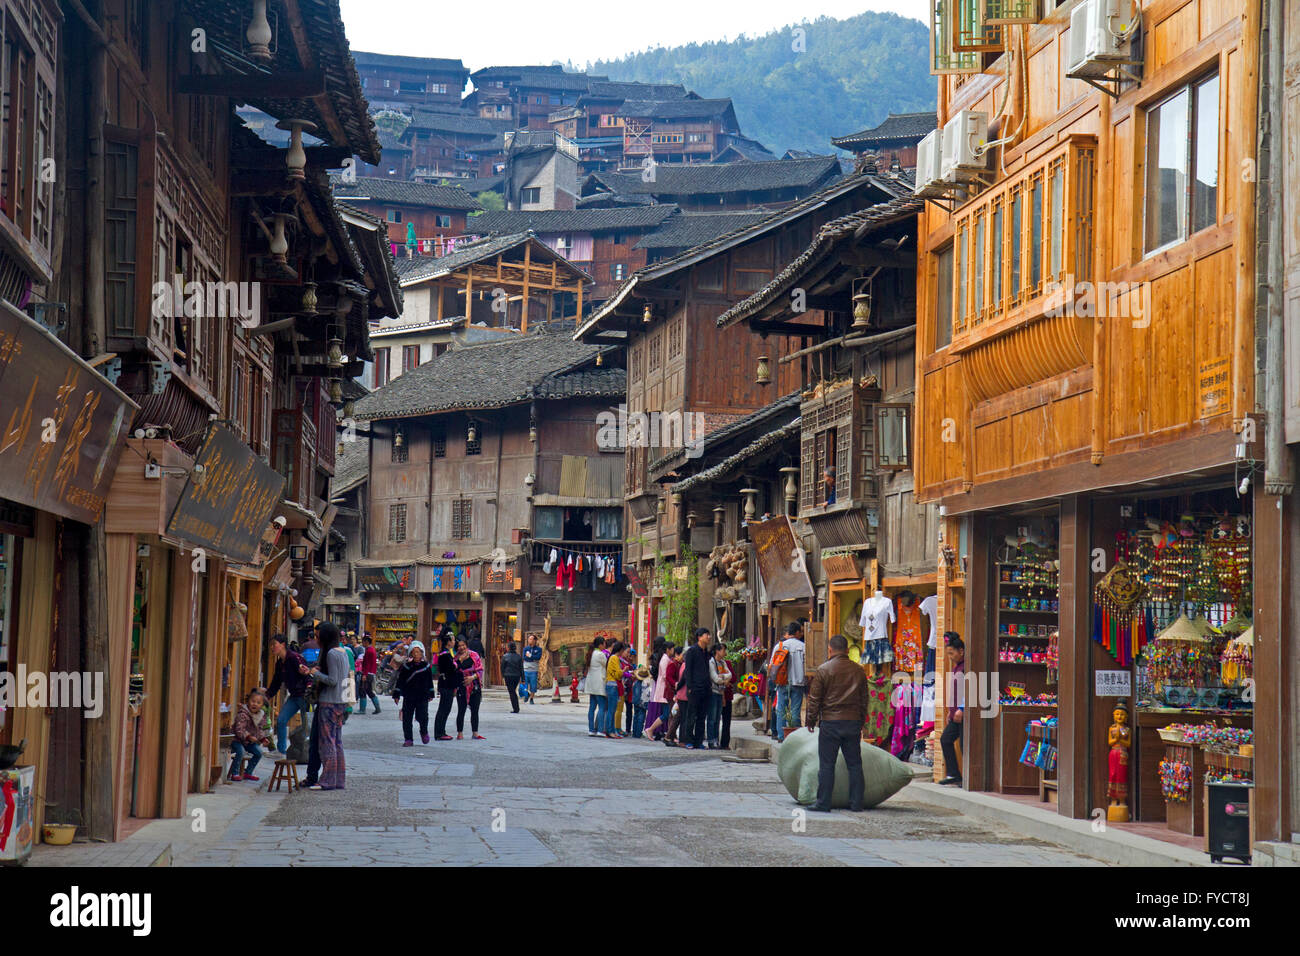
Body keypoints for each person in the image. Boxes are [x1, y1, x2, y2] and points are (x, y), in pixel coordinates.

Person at [804, 633, 871, 812]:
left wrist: (810, 719)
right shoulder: (859, 670)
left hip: (830, 723)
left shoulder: (824, 670)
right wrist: (861, 720)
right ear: (847, 650)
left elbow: (814, 699)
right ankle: (856, 803)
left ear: (830, 649)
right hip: (852, 722)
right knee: (855, 764)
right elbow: (864, 699)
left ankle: (823, 803)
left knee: (827, 765)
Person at [307, 622, 349, 790]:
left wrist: (314, 672)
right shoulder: (343, 652)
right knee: (337, 741)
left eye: (318, 636)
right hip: (340, 702)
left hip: (329, 702)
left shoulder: (331, 653)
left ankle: (327, 780)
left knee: (327, 742)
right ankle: (339, 779)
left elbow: (332, 680)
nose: (316, 639)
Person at [266, 634, 309, 755]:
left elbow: (307, 675)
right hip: (294, 696)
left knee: (307, 724)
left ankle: (307, 751)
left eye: (274, 644)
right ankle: (281, 750)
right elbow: (276, 682)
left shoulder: (295, 658)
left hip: (304, 695)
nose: (272, 647)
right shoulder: (280, 663)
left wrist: (309, 688)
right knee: (281, 720)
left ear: (283, 644)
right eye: (271, 645)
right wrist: (268, 695)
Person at [770, 622, 807, 742]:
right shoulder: (802, 646)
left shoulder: (779, 646)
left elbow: (772, 665)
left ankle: (781, 736)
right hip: (798, 681)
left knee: (781, 709)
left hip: (782, 682)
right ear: (796, 632)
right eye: (800, 632)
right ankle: (795, 737)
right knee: (795, 709)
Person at [392, 642, 435, 746]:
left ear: (422, 653)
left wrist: (431, 693)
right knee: (407, 718)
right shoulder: (406, 666)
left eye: (418, 652)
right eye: (414, 652)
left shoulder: (426, 666)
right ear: (410, 653)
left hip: (422, 696)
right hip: (409, 695)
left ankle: (424, 732)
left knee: (423, 716)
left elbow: (429, 680)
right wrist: (396, 694)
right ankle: (408, 739)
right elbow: (400, 680)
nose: (416, 654)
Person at [938, 632, 966, 786]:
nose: (950, 656)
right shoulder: (957, 668)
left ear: (961, 651)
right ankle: (953, 774)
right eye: (948, 654)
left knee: (964, 744)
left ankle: (968, 778)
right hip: (956, 714)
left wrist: (961, 708)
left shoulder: (966, 667)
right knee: (946, 739)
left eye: (951, 653)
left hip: (963, 713)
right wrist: (951, 709)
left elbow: (970, 689)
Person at [229, 689, 272, 781]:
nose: (255, 704)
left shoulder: (261, 716)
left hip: (249, 742)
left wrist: (263, 739)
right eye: (253, 701)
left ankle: (248, 772)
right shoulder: (243, 714)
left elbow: (260, 730)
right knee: (241, 751)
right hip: (237, 740)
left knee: (259, 753)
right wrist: (248, 736)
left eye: (258, 703)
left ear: (262, 705)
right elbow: (239, 729)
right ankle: (235, 773)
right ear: (248, 702)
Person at [680, 628, 713, 750]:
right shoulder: (692, 651)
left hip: (705, 688)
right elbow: (688, 670)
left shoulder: (706, 652)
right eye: (706, 635)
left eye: (709, 635)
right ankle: (689, 740)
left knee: (701, 716)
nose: (709, 637)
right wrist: (689, 687)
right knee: (691, 715)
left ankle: (699, 741)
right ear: (699, 637)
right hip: (694, 688)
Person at [455, 638, 485, 740]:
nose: (461, 647)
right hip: (462, 686)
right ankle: (460, 733)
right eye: (459, 646)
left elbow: (480, 670)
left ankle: (475, 733)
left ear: (466, 645)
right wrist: (460, 660)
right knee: (461, 710)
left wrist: (472, 678)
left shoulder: (474, 655)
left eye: (463, 645)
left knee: (475, 710)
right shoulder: (456, 658)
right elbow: (455, 671)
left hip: (475, 686)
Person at [433, 643, 463, 740]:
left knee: (445, 708)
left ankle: (441, 731)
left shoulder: (447, 653)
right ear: (448, 641)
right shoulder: (444, 655)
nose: (454, 642)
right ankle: (439, 733)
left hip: (448, 684)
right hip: (446, 684)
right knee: (444, 708)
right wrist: (460, 661)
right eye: (453, 639)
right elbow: (450, 669)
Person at [707, 643, 732, 750]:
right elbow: (714, 678)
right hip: (713, 691)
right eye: (723, 650)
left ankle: (716, 739)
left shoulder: (723, 663)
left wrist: (722, 677)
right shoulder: (711, 662)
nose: (724, 653)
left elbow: (730, 675)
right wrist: (724, 680)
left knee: (717, 718)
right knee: (712, 718)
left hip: (720, 692)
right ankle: (711, 740)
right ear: (717, 651)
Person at [645, 641, 672, 741]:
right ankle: (651, 729)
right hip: (664, 690)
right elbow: (665, 675)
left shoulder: (664, 658)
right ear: (668, 649)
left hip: (663, 689)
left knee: (667, 713)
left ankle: (669, 734)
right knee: (666, 713)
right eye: (672, 648)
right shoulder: (665, 659)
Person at [584, 637, 609, 737]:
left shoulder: (591, 653)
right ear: (600, 645)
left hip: (591, 683)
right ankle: (600, 730)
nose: (605, 645)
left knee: (592, 707)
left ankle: (591, 729)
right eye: (604, 644)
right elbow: (606, 664)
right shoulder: (600, 654)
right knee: (602, 707)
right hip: (599, 683)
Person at [663, 647, 686, 746]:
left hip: (677, 691)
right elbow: (668, 677)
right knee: (675, 714)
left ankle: (671, 736)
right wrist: (676, 684)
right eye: (682, 655)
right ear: (677, 654)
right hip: (671, 692)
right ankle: (669, 736)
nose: (683, 658)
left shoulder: (680, 664)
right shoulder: (672, 664)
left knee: (674, 715)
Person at [604, 640, 625, 737]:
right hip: (613, 685)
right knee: (611, 710)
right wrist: (624, 670)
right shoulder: (615, 658)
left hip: (611, 685)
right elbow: (617, 674)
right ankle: (610, 730)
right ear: (620, 650)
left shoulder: (613, 658)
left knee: (611, 709)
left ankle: (611, 730)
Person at [357, 635, 381, 714]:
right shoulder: (372, 650)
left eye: (363, 642)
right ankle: (377, 707)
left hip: (367, 673)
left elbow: (367, 664)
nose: (362, 644)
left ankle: (362, 709)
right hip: (371, 673)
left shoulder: (368, 651)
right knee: (369, 691)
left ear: (366, 642)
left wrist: (364, 674)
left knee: (363, 691)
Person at [501, 641, 524, 714]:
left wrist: (503, 675)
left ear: (508, 648)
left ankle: (516, 708)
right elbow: (521, 668)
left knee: (512, 692)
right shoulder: (519, 656)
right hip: (516, 676)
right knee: (512, 691)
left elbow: (502, 667)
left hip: (508, 676)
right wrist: (523, 678)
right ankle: (516, 707)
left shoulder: (505, 656)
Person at [521, 633, 543, 704]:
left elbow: (538, 657)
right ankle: (526, 695)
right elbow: (524, 657)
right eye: (529, 639)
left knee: (533, 685)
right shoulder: (526, 648)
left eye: (531, 639)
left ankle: (531, 698)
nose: (529, 640)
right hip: (526, 669)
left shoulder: (539, 649)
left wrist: (530, 656)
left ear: (535, 640)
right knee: (525, 684)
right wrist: (532, 657)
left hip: (534, 670)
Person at [632, 665, 652, 739]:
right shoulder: (645, 684)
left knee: (635, 717)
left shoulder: (635, 683)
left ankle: (634, 732)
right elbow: (647, 694)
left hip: (636, 702)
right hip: (642, 703)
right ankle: (638, 733)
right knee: (641, 718)